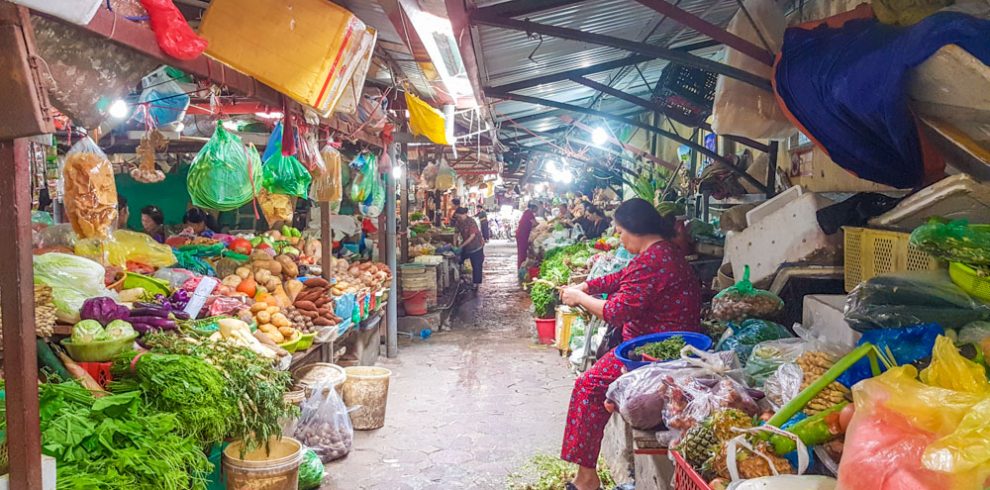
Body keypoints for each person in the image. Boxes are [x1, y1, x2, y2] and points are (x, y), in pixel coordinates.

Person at [558, 198, 702, 490]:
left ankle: (586, 479)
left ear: (635, 229)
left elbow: (615, 311)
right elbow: (623, 276)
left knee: (586, 387)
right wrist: (587, 285)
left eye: (621, 231)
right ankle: (586, 472)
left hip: (651, 353)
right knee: (597, 386)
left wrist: (579, 298)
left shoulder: (653, 260)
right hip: (660, 345)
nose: (620, 239)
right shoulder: (663, 252)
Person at [453, 207, 485, 289]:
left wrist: (461, 246)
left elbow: (472, 236)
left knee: (476, 265)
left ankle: (476, 283)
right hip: (467, 246)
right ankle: (459, 277)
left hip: (476, 245)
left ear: (464, 214)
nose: (458, 218)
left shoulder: (471, 222)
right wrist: (454, 244)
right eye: (457, 217)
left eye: (459, 216)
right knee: (458, 260)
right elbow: (456, 233)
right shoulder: (458, 222)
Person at [516, 203, 538, 268]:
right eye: (536, 209)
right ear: (533, 208)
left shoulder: (527, 212)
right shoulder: (529, 213)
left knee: (523, 251)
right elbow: (534, 223)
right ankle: (520, 266)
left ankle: (521, 265)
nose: (536, 211)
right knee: (522, 251)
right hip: (522, 235)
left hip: (522, 234)